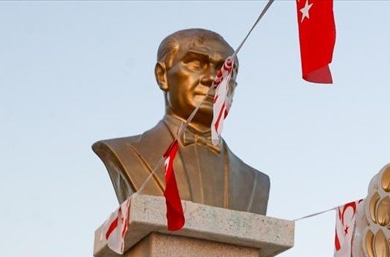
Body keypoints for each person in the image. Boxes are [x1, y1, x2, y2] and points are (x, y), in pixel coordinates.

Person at [92, 28, 270, 214]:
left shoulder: (256, 182)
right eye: (196, 63)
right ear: (162, 76)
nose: (213, 79)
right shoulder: (126, 153)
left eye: (225, 71)